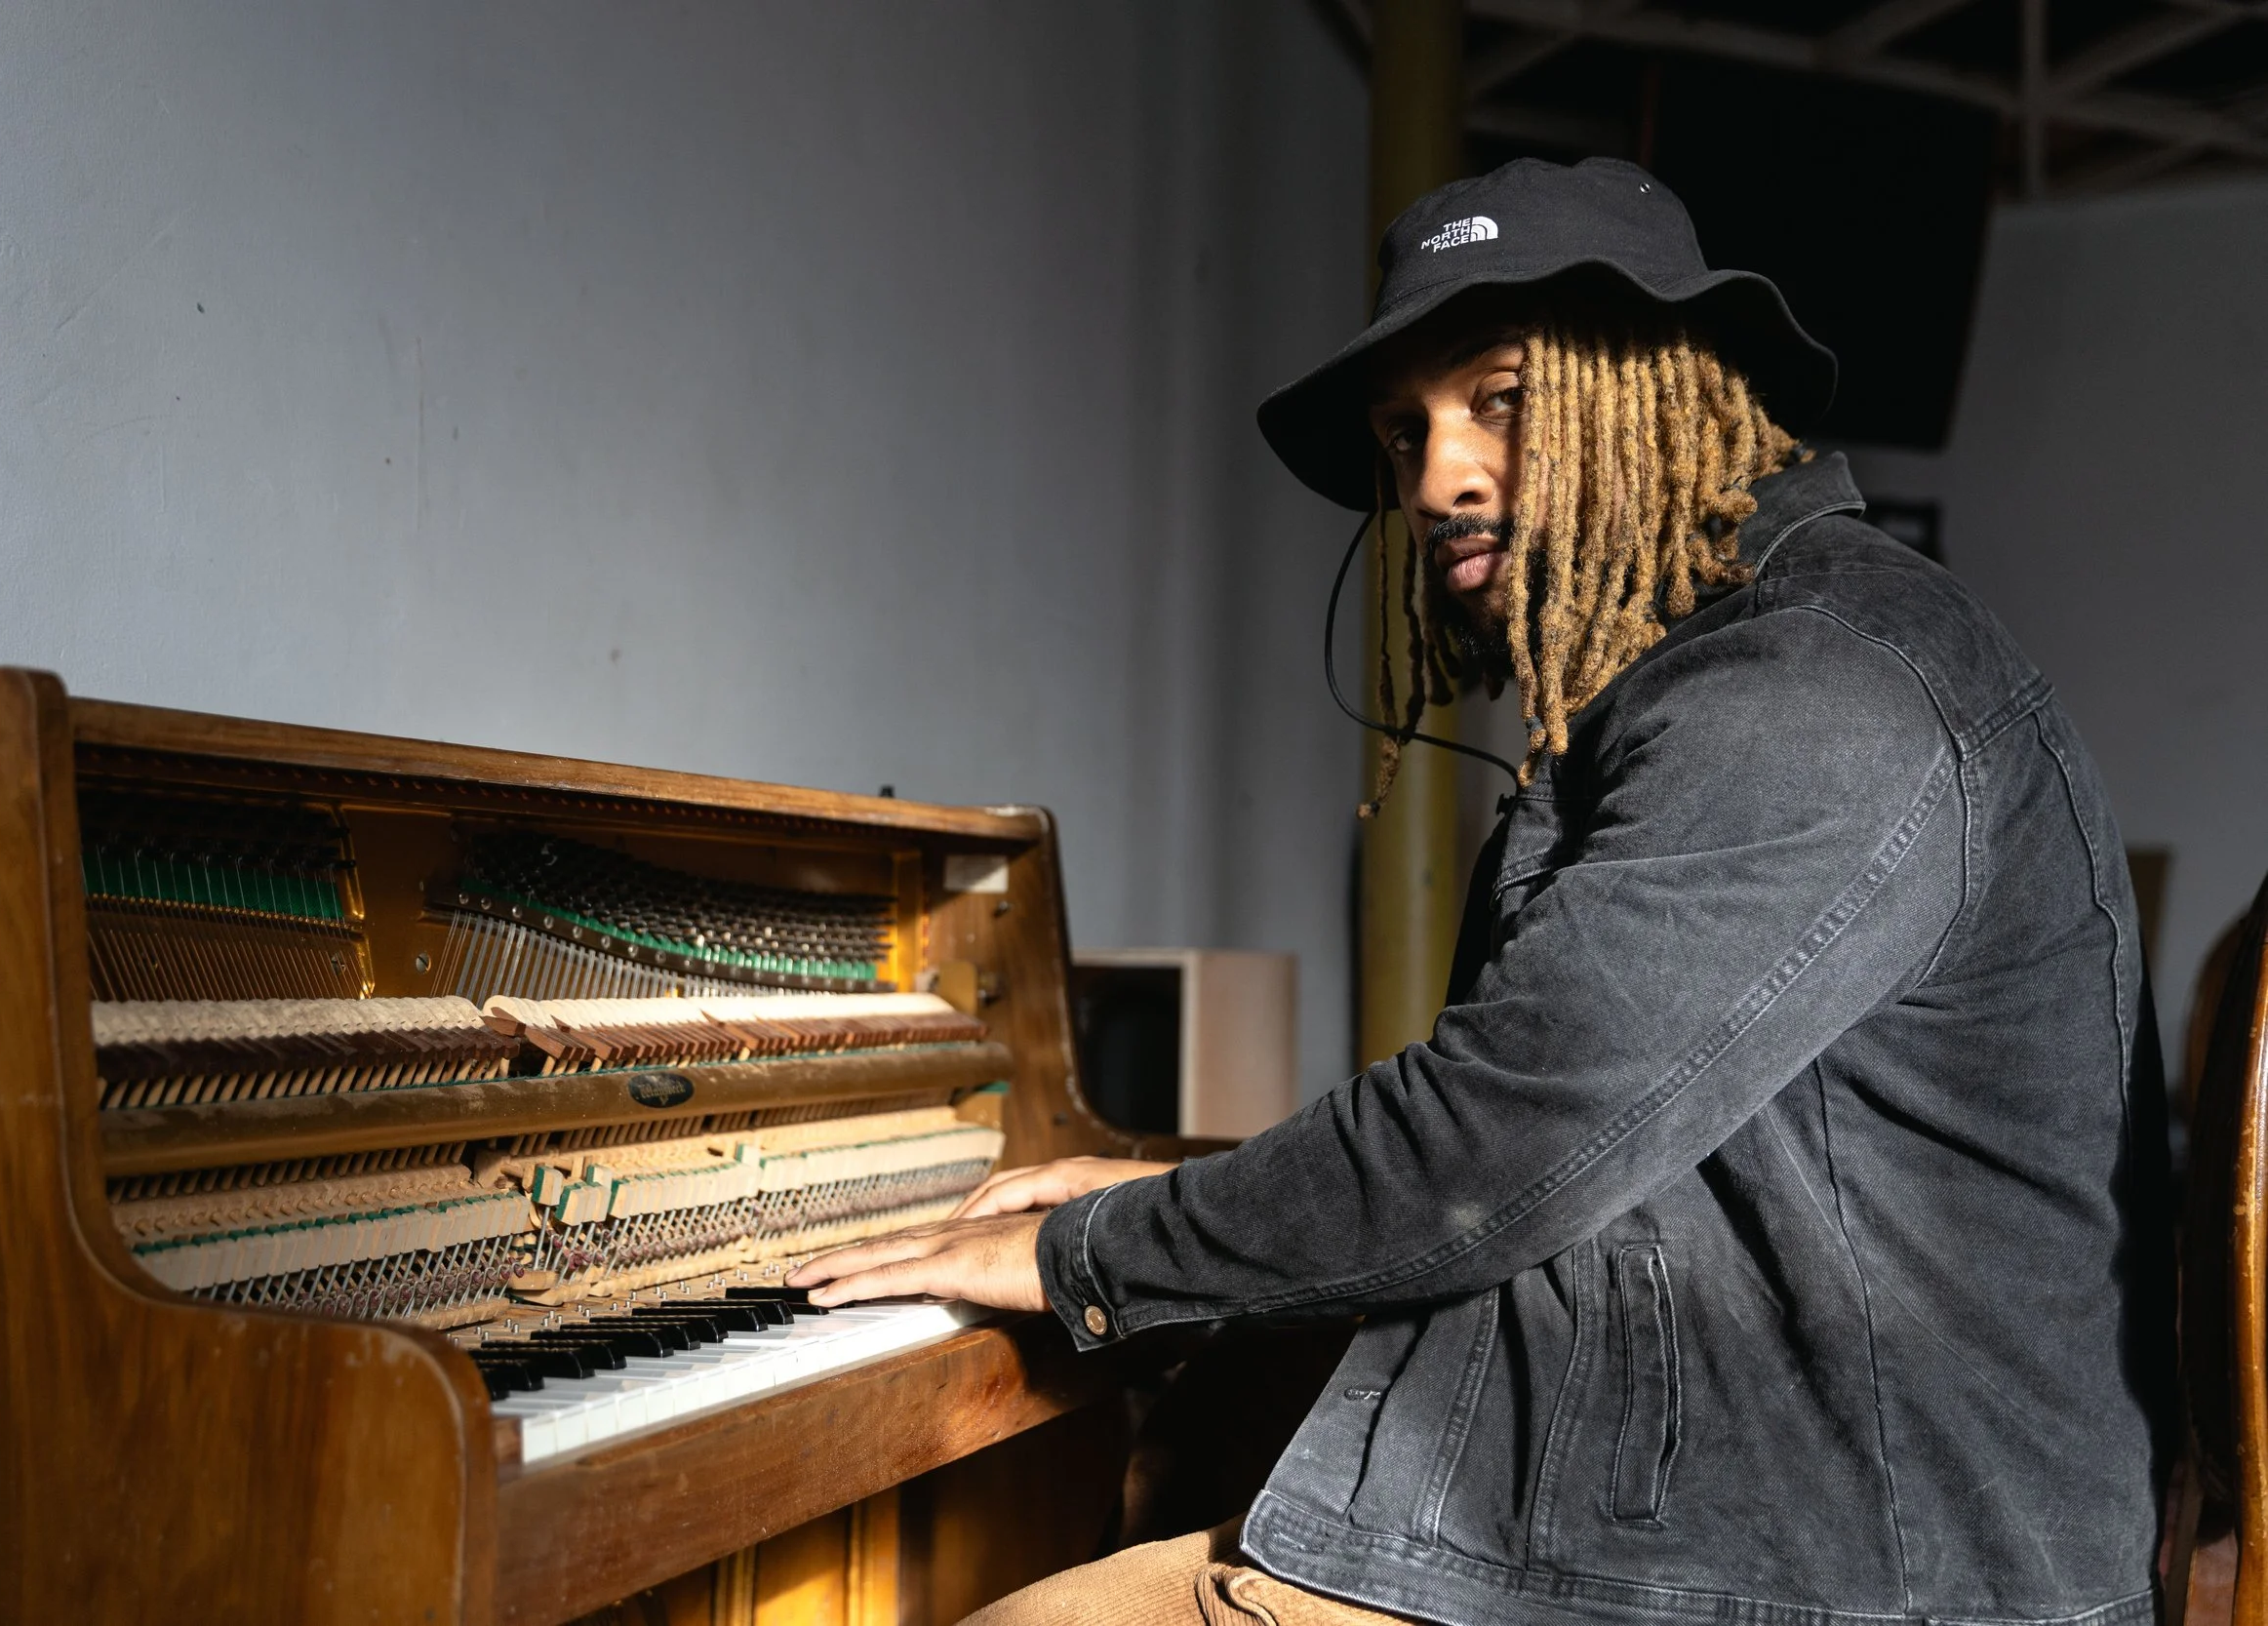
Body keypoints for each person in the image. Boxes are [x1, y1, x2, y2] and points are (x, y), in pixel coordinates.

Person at [791, 157, 2176, 1626]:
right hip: (1766, 1502)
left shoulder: (1818, 688)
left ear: (1655, 392)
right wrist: (1165, 1207)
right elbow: (1571, 1119)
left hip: (1863, 1570)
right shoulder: (1706, 674)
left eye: (1501, 400)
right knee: (1190, 1440)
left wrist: (1093, 1251)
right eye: (1406, 432)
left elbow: (1497, 1138)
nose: (1437, 479)